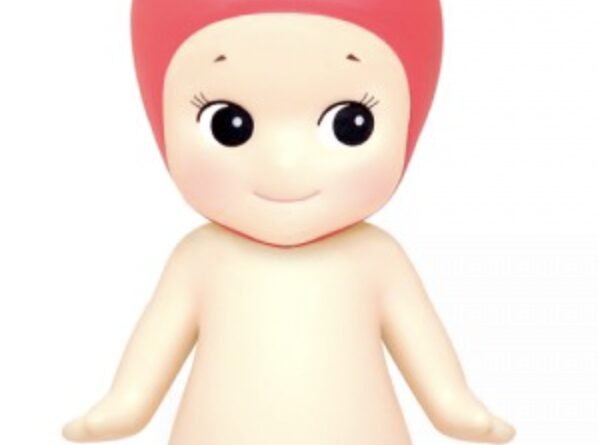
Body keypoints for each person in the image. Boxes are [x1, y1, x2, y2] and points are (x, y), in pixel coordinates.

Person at [63, 1, 516, 443]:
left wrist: (455, 407)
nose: (284, 163)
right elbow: (146, 365)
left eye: (351, 124)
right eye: (229, 124)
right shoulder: (198, 259)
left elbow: (432, 367)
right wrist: (123, 406)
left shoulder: (378, 258)